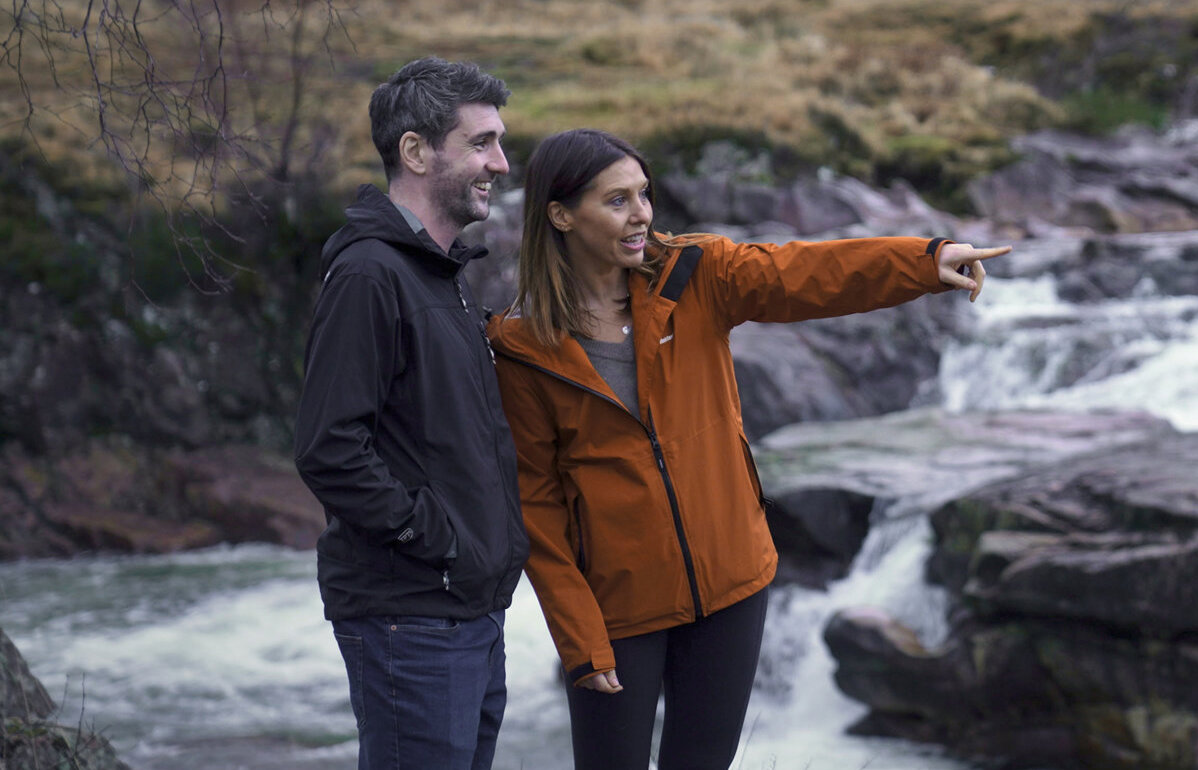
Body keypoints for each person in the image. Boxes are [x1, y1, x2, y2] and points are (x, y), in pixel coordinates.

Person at [487, 128, 1007, 770]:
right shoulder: (523, 346)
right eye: (616, 201)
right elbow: (536, 505)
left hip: (732, 586)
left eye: (644, 195)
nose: (642, 214)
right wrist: (581, 639)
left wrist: (924, 263)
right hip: (619, 604)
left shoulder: (697, 276)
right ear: (561, 215)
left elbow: (808, 274)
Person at [293, 57, 529, 770]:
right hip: (414, 615)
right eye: (482, 143)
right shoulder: (371, 274)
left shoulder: (439, 272)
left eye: (500, 142)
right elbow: (329, 448)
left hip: (465, 613)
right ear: (416, 151)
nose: (502, 162)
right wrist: (437, 537)